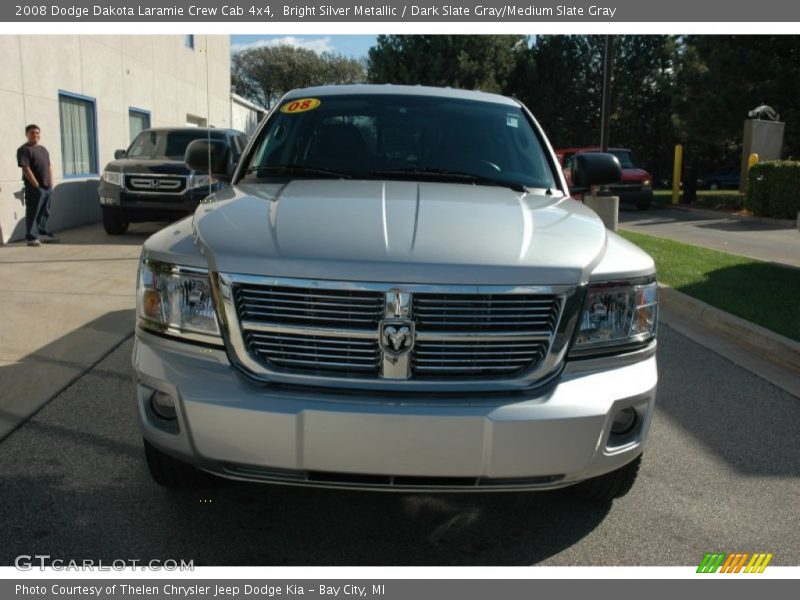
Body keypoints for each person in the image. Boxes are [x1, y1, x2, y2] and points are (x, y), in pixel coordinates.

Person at [17, 124, 58, 246]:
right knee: (33, 212)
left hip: (47, 187)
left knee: (45, 211)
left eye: (37, 133)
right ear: (27, 134)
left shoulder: (43, 149)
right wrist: (36, 186)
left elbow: (49, 166)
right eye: (32, 133)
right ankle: (31, 237)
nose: (35, 135)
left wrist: (51, 184)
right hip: (34, 188)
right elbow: (26, 168)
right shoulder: (24, 150)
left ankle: (43, 233)